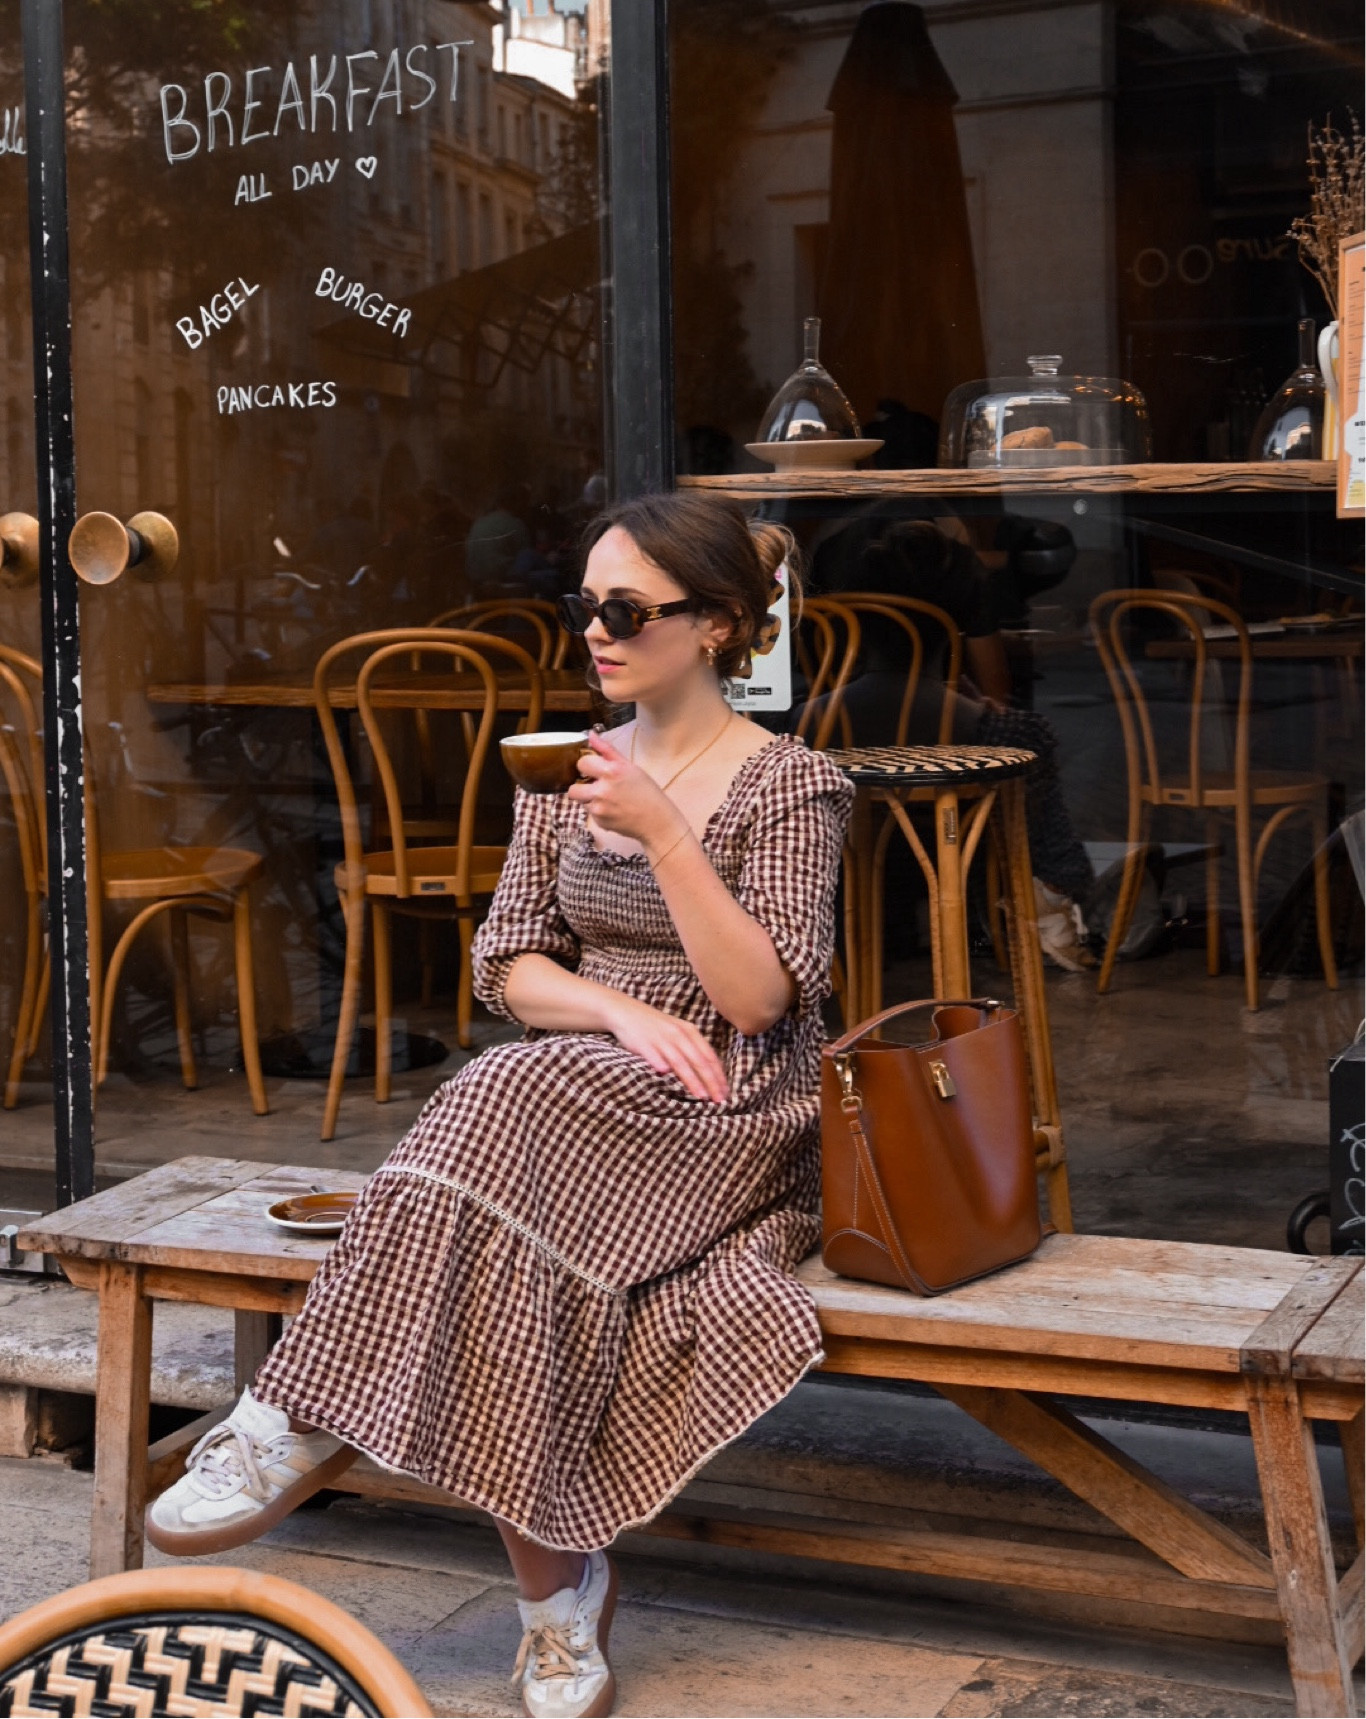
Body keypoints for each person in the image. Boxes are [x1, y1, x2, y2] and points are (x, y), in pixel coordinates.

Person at [145, 490, 854, 1719]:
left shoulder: (793, 787)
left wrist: (667, 840)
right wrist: (622, 1011)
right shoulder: (560, 768)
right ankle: (553, 1607)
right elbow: (509, 966)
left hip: (729, 1108)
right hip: (586, 1079)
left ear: (721, 625)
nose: (596, 631)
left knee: (494, 1104)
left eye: (627, 610)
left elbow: (754, 1003)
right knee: (511, 1195)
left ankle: (294, 1415)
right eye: (585, 606)